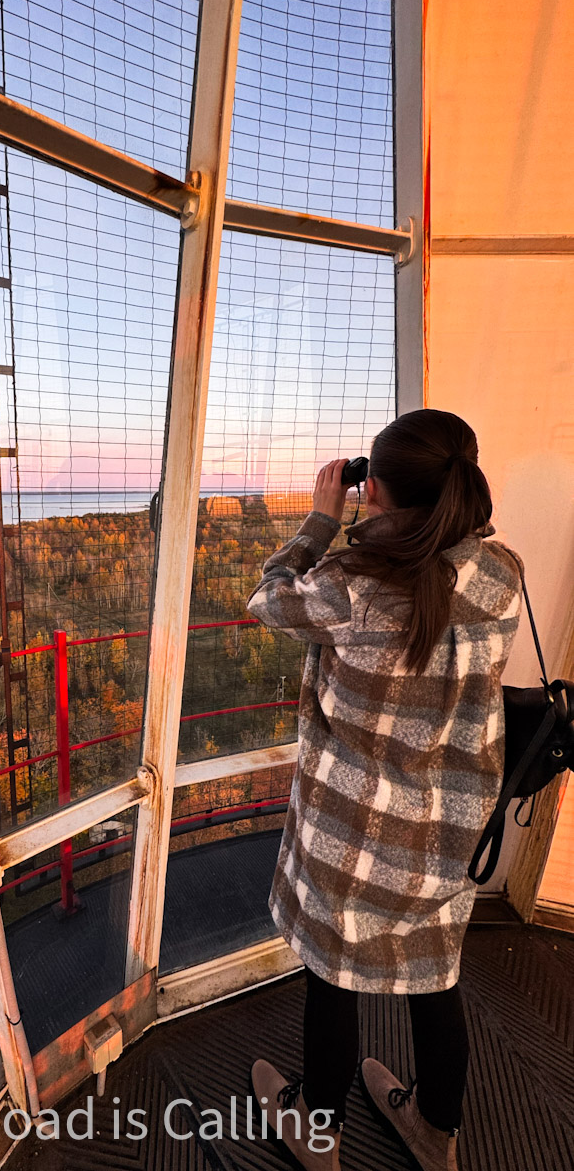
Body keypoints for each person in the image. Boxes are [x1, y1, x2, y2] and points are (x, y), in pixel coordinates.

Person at [244, 410, 523, 1171]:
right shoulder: (504, 573)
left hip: (351, 831)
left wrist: (321, 518)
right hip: (446, 832)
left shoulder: (350, 584)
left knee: (334, 977)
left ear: (382, 491)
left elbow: (268, 597)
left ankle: (319, 1130)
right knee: (436, 978)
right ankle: (437, 1131)